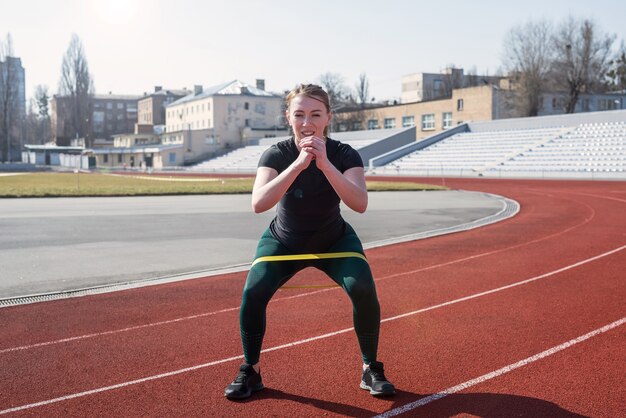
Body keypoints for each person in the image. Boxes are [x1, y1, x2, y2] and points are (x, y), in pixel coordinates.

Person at [224, 84, 395, 400]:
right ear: (288, 117)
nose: (307, 122)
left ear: (328, 117)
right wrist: (299, 164)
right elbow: (259, 203)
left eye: (315, 114)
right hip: (284, 240)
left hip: (334, 240)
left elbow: (360, 203)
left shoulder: (345, 154)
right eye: (299, 114)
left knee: (362, 288)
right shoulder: (276, 153)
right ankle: (251, 369)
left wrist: (325, 164)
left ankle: (371, 367)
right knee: (253, 292)